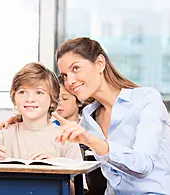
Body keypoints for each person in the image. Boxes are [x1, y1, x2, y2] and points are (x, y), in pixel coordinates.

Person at [52, 37, 170, 194]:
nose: (70, 81)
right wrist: (15, 122)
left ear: (100, 63)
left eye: (75, 68)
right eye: (65, 75)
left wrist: (93, 141)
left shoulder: (146, 100)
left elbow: (143, 165)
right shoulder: (88, 117)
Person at [0, 62, 85, 194]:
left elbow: (77, 191)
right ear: (14, 99)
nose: (30, 99)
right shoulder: (6, 133)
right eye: (22, 92)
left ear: (53, 100)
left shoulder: (67, 138)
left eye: (39, 92)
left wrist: (54, 167)